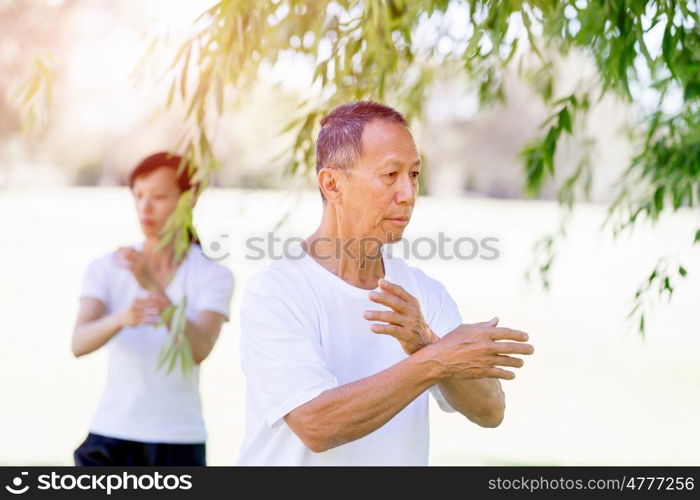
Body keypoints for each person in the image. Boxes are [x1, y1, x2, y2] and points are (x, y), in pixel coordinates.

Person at [237, 101, 534, 465]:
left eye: (414, 174)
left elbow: (490, 410)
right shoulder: (277, 292)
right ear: (332, 184)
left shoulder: (423, 292)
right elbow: (316, 425)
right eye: (390, 174)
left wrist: (426, 342)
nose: (408, 193)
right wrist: (434, 359)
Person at [71, 152, 234, 466]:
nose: (146, 208)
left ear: (189, 200)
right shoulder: (107, 267)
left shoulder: (213, 275)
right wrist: (120, 318)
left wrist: (154, 288)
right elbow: (78, 343)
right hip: (109, 435)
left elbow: (199, 349)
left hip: (177, 440)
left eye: (159, 197)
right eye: (138, 196)